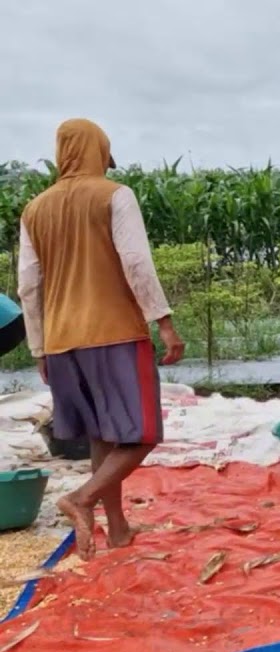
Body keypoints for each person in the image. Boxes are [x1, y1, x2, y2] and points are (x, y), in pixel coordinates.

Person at [17, 118, 184, 560]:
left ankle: (119, 529)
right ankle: (83, 498)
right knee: (143, 433)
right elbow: (136, 263)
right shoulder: (115, 195)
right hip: (113, 333)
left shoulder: (34, 209)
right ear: (98, 153)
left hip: (61, 340)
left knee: (102, 436)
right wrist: (163, 321)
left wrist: (38, 347)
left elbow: (28, 287)